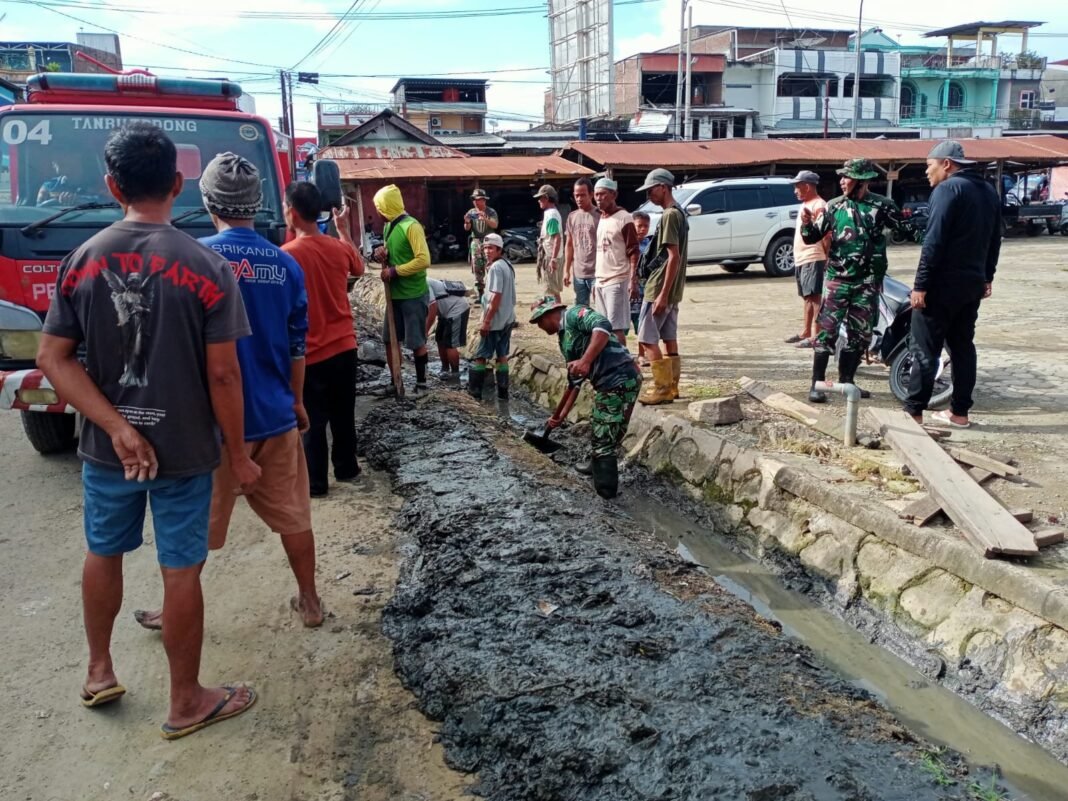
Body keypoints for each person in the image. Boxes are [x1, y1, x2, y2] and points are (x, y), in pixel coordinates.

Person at [36, 124, 258, 739]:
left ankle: (99, 670)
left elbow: (53, 358)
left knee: (102, 552)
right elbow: (223, 378)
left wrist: (116, 427)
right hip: (185, 451)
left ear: (112, 186)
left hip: (109, 453)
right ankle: (185, 702)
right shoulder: (207, 265)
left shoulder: (82, 259)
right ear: (179, 185)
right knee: (180, 571)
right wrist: (238, 456)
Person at [133, 153, 324, 633]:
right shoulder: (285, 264)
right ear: (259, 205)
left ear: (206, 200)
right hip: (276, 414)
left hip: (210, 425)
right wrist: (297, 400)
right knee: (294, 515)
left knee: (191, 530)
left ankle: (169, 610)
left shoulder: (192, 259)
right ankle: (311, 600)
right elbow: (298, 344)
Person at [800, 158, 917, 403]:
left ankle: (847, 382)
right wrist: (806, 225)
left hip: (867, 283)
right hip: (838, 281)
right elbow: (812, 237)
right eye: (842, 177)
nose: (842, 181)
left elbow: (906, 231)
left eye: (847, 177)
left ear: (862, 181)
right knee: (826, 335)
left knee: (859, 336)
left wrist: (916, 223)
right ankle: (817, 385)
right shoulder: (834, 207)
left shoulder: (882, 206)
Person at [904, 140, 1000, 429]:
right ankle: (959, 413)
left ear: (946, 164)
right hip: (971, 285)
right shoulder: (987, 191)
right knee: (962, 347)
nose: (927, 173)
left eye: (929, 166)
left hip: (941, 286)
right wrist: (987, 277)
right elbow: (995, 239)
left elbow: (933, 242)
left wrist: (920, 285)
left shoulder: (947, 189)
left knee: (923, 348)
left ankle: (914, 413)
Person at [282, 182, 365, 497]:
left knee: (312, 419)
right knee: (343, 411)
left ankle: (316, 483)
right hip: (345, 346)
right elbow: (359, 266)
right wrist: (343, 230)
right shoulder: (338, 247)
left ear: (291, 210)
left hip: (309, 353)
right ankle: (347, 468)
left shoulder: (286, 256)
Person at [529, 296, 642, 499]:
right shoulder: (565, 342)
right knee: (608, 429)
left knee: (603, 436)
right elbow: (574, 383)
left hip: (619, 379)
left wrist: (586, 360)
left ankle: (606, 493)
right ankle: (596, 464)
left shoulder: (574, 315)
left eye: (538, 322)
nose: (539, 327)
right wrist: (559, 416)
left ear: (548, 315)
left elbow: (603, 326)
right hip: (613, 383)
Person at [635, 168, 688, 405]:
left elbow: (673, 256)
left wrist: (662, 295)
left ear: (663, 187)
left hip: (660, 287)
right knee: (669, 337)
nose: (649, 196)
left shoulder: (669, 215)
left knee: (647, 338)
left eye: (650, 190)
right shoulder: (680, 213)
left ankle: (662, 388)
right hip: (673, 288)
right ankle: (673, 387)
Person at [373, 184, 431, 392]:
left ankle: (422, 383)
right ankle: (395, 381)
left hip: (412, 294)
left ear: (386, 207)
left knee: (416, 341)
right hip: (394, 295)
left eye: (379, 207)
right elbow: (391, 251)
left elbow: (423, 259)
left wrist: (394, 271)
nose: (377, 212)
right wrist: (381, 253)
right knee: (390, 340)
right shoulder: (390, 226)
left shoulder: (411, 227)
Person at [593, 177, 640, 345]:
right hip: (600, 280)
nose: (598, 198)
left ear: (614, 194)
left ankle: (622, 363)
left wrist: (632, 280)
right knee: (603, 327)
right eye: (596, 195)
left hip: (617, 279)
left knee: (616, 328)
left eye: (603, 194)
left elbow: (634, 251)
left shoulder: (624, 218)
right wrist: (595, 281)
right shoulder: (602, 218)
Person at [786, 171, 829, 349]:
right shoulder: (806, 205)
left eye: (797, 186)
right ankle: (806, 331)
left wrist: (826, 257)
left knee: (815, 297)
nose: (795, 190)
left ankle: (816, 335)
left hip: (814, 256)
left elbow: (826, 234)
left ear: (807, 186)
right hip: (802, 258)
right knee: (807, 297)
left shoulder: (819, 205)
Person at [471, 233, 516, 400]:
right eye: (485, 248)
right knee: (502, 355)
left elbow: (496, 296)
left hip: (495, 321)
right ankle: (503, 394)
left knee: (481, 356)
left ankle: (475, 394)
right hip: (508, 318)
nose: (487, 251)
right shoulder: (507, 265)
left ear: (499, 249)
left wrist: (486, 321)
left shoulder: (496, 268)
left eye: (491, 248)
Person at [425, 276, 470, 381]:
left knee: (450, 343)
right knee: (440, 340)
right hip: (445, 312)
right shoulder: (419, 282)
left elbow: (432, 309)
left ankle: (455, 373)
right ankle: (444, 369)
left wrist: (425, 331)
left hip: (457, 309)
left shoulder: (424, 283)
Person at [565, 177, 597, 306]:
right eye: (576, 195)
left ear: (591, 194)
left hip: (597, 273)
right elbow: (569, 244)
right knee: (581, 310)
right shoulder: (572, 217)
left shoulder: (600, 215)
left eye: (583, 195)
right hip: (578, 273)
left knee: (601, 309)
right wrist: (566, 270)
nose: (579, 199)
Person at [463, 188, 498, 301]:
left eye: (478, 199)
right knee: (477, 267)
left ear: (484, 200)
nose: (475, 202)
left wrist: (485, 219)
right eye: (474, 200)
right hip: (476, 241)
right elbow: (467, 228)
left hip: (488, 240)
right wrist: (467, 222)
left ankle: (492, 291)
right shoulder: (471, 212)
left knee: (491, 266)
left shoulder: (490, 212)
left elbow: (495, 225)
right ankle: (480, 293)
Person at [533, 184, 564, 304]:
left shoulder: (551, 215)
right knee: (553, 290)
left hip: (551, 255)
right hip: (553, 255)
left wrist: (553, 259)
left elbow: (557, 238)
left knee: (551, 290)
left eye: (540, 198)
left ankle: (556, 317)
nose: (539, 201)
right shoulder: (552, 212)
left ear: (546, 197)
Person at [631, 211, 653, 365]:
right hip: (628, 291)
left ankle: (641, 354)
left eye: (646, 226)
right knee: (624, 324)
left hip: (644, 290)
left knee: (641, 323)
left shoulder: (649, 245)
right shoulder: (626, 244)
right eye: (639, 226)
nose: (642, 229)